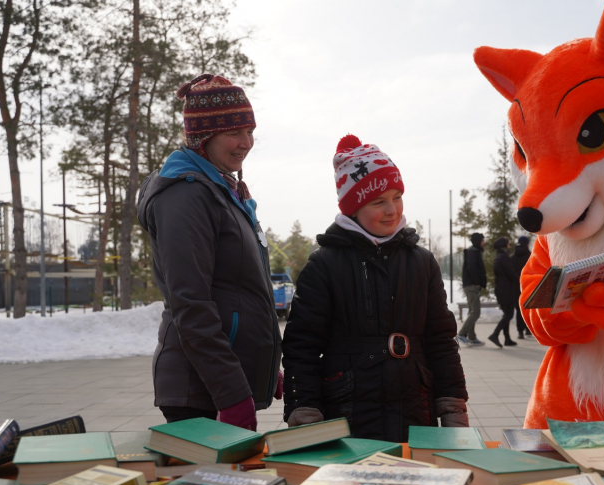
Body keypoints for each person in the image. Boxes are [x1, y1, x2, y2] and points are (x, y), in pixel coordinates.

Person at [281, 135, 469, 442]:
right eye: (378, 202)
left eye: (397, 197)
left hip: (415, 410)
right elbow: (301, 345)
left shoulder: (421, 262)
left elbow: (441, 339)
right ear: (353, 208)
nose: (392, 210)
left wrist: (452, 405)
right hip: (348, 411)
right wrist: (304, 409)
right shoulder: (324, 265)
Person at [137, 74, 282, 430]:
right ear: (203, 136)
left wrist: (263, 367)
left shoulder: (220, 189)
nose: (246, 143)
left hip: (216, 384)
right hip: (199, 391)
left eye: (250, 131)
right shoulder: (185, 196)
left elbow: (238, 291)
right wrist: (231, 394)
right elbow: (192, 304)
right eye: (235, 133)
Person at [488, 237, 518, 348]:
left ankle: (507, 338)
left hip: (500, 289)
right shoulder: (504, 257)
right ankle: (495, 334)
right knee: (509, 314)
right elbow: (510, 273)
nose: (510, 246)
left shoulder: (498, 257)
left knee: (507, 314)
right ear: (504, 246)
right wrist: (519, 280)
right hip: (506, 289)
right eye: (508, 244)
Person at [457, 233, 486, 347]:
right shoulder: (473, 252)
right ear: (478, 241)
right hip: (472, 285)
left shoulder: (474, 251)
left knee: (472, 311)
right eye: (482, 240)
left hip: (472, 285)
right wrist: (477, 282)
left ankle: (472, 337)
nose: (484, 242)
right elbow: (472, 268)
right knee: (475, 312)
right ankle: (461, 334)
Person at [511, 235, 533, 339]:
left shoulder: (512, 257)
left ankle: (520, 331)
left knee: (519, 309)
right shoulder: (530, 256)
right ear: (527, 244)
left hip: (515, 287)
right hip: (528, 286)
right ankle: (528, 330)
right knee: (529, 308)